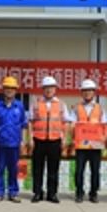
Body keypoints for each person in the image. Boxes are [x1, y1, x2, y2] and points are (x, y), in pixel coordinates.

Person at [29, 76, 72, 204]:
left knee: (53, 169)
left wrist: (64, 139)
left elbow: (66, 122)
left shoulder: (61, 104)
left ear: (55, 89)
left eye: (51, 88)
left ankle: (52, 193)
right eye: (46, 88)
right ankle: (37, 193)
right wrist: (30, 138)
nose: (49, 90)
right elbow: (30, 121)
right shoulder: (36, 103)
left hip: (55, 140)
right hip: (38, 140)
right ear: (42, 89)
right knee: (37, 168)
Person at [0, 76, 28, 203]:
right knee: (0, 168)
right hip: (0, 143)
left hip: (14, 143)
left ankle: (13, 192)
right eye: (7, 88)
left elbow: (23, 124)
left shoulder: (19, 106)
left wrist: (23, 141)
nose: (9, 90)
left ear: (16, 90)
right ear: (3, 89)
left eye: (12, 88)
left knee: (13, 169)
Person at [71, 79, 107, 203]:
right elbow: (72, 125)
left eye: (90, 90)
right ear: (81, 92)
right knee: (79, 171)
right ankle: (79, 192)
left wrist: (105, 139)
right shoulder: (76, 108)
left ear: (94, 92)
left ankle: (93, 193)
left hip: (95, 145)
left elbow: (105, 125)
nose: (87, 93)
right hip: (81, 145)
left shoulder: (100, 108)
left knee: (95, 170)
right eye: (85, 90)